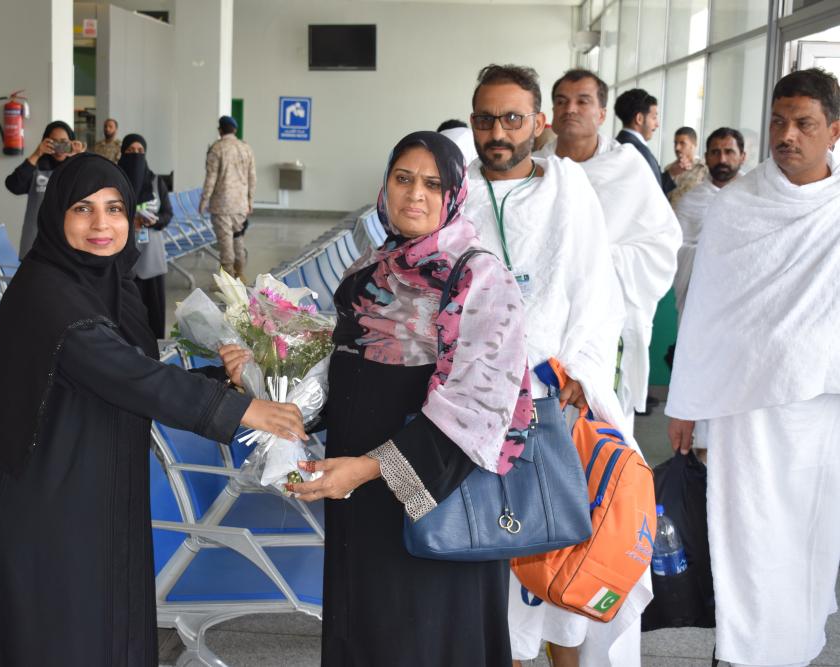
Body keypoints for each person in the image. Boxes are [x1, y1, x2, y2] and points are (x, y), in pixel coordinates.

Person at [0, 153, 305, 666]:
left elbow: (134, 369)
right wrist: (242, 410)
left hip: (92, 478)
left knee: (103, 619)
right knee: (59, 633)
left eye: (115, 208)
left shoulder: (107, 285)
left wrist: (220, 377)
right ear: (57, 216)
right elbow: (121, 371)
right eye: (83, 209)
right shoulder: (45, 293)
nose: (102, 224)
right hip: (46, 497)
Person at [225, 131, 532, 666]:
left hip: (430, 487)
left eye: (433, 184)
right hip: (359, 484)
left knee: (423, 631)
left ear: (455, 193)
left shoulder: (478, 276)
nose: (415, 194)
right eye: (403, 178)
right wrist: (268, 384)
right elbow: (346, 369)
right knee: (366, 625)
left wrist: (370, 470)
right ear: (385, 185)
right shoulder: (371, 267)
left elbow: (477, 408)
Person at [463, 64, 645, 667]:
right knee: (497, 569)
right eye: (486, 118)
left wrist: (580, 379)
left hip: (560, 400)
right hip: (475, 410)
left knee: (565, 567)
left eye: (513, 118)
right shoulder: (455, 197)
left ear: (538, 124)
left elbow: (598, 297)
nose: (499, 131)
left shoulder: (569, 192)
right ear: (472, 123)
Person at [667, 68, 840, 667]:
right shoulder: (738, 204)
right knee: (745, 536)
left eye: (804, 124)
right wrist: (687, 404)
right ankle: (739, 653)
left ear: (834, 132)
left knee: (809, 538)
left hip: (819, 408)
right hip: (743, 408)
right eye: (777, 121)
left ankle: (793, 647)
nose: (786, 134)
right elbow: (706, 310)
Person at [537, 70, 680, 435]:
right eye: (562, 101)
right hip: (544, 325)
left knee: (601, 439)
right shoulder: (536, 169)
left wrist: (595, 263)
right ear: (550, 111)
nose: (571, 109)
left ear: (601, 114)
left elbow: (662, 245)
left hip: (608, 325)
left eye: (583, 101)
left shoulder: (627, 167)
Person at [671, 127, 746, 322]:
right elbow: (674, 249)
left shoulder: (756, 199)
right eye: (715, 152)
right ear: (705, 157)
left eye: (729, 152)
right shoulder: (691, 201)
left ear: (743, 156)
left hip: (742, 301)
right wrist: (708, 254)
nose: (722, 159)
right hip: (698, 303)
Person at [117, 132, 173, 339]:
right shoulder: (115, 182)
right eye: (130, 151)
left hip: (152, 257)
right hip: (123, 257)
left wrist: (155, 221)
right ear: (122, 153)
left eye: (140, 151)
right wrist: (128, 222)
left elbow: (167, 214)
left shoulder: (156, 182)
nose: (135, 155)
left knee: (154, 308)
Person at [5, 120, 85, 258]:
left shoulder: (77, 168)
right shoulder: (37, 167)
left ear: (72, 142)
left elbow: (90, 190)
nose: (59, 146)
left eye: (63, 141)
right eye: (54, 141)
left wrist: (80, 158)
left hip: (69, 241)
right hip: (36, 241)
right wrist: (37, 154)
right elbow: (14, 185)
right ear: (45, 142)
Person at [199, 115, 255, 279]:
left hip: (221, 204)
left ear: (220, 130)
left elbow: (211, 178)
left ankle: (229, 282)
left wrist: (204, 201)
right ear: (235, 130)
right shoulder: (246, 148)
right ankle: (241, 274)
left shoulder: (217, 149)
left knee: (225, 243)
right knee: (238, 238)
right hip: (241, 204)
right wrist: (250, 201)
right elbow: (253, 177)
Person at [614, 88, 663, 187]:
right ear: (639, 119)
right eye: (654, 118)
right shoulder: (639, 152)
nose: (657, 124)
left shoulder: (615, 144)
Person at [661, 126, 708, 205]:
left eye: (682, 143)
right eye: (675, 143)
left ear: (693, 145)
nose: (677, 148)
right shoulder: (669, 169)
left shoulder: (704, 169)